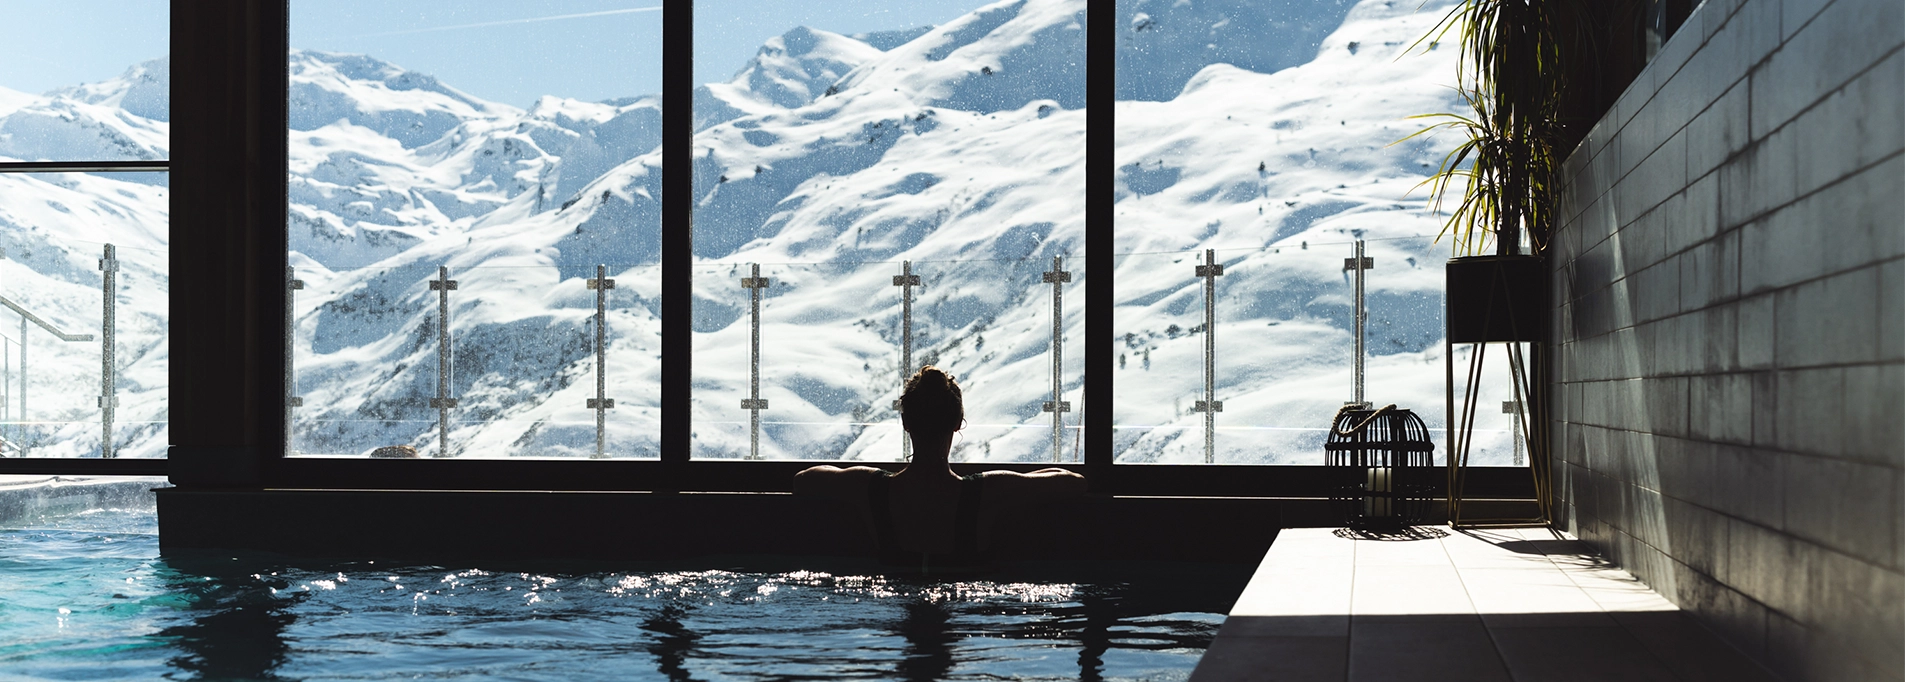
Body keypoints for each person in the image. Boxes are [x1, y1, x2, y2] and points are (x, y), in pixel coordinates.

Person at [793, 366, 1086, 572]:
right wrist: (1019, 479)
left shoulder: (871, 488)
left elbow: (803, 480)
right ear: (958, 422)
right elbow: (1074, 482)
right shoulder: (988, 492)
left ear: (906, 422)